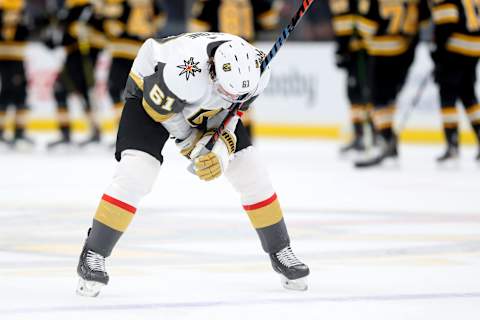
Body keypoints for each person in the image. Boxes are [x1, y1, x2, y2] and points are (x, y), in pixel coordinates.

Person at [76, 32, 310, 297]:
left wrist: (220, 146)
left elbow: (233, 113)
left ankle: (280, 248)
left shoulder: (258, 71)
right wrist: (190, 144)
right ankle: (94, 251)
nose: (229, 95)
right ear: (212, 71)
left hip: (209, 104)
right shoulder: (181, 68)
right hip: (151, 92)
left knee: (250, 169)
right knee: (138, 171)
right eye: (225, 89)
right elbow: (162, 112)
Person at [354, 0, 430, 167]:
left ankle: (387, 138)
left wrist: (357, 34)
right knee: (389, 99)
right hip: (404, 54)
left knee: (377, 100)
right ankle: (388, 141)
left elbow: (367, 27)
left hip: (381, 51)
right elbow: (424, 21)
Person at [189, 0, 281, 138]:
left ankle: (214, 136)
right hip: (247, 56)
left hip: (220, 57)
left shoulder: (210, 4)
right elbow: (270, 21)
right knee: (243, 99)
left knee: (219, 99)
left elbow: (195, 29)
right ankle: (243, 140)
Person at [102, 0, 166, 145]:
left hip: (122, 51)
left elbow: (114, 28)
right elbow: (159, 23)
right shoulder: (153, 5)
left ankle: (123, 130)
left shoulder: (123, 4)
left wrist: (104, 12)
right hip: (142, 53)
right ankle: (142, 132)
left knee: (116, 91)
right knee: (141, 95)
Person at [47, 0, 106, 149]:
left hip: (84, 57)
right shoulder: (69, 9)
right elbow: (62, 31)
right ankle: (65, 133)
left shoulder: (91, 9)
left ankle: (95, 131)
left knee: (85, 94)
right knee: (60, 91)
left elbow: (103, 35)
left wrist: (87, 33)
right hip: (70, 56)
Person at [431, 0, 480, 163]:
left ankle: (452, 144)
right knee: (468, 96)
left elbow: (445, 24)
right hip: (474, 49)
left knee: (447, 97)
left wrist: (438, 54)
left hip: (454, 49)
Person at [328, 0, 374, 154]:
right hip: (358, 50)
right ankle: (361, 135)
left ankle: (370, 135)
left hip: (361, 51)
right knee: (355, 95)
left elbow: (345, 22)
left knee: (362, 94)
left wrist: (342, 48)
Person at [0, 0, 34, 149]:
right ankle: (2, 133)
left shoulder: (21, 19)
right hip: (7, 62)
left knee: (21, 96)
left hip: (18, 61)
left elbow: (27, 33)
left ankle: (19, 133)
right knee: (7, 95)